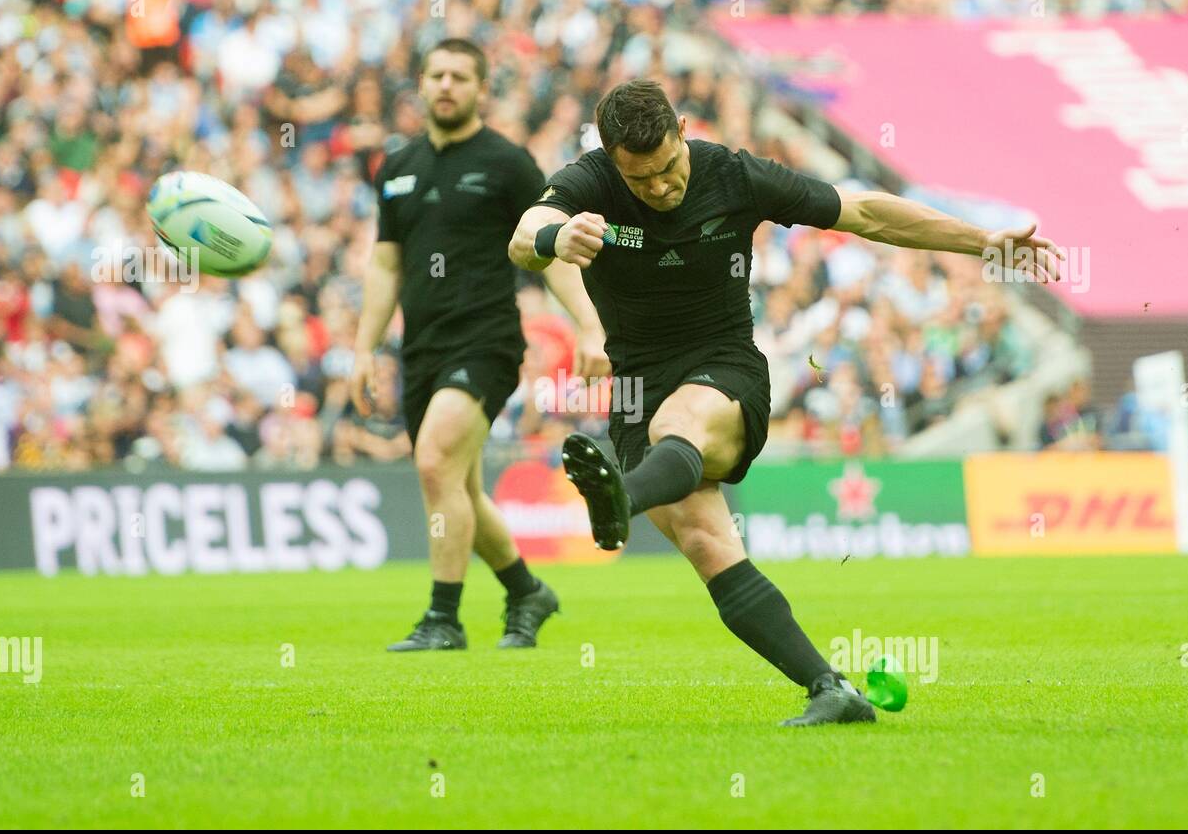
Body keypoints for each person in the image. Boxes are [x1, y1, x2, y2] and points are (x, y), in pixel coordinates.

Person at [508, 79, 1060, 725]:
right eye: (641, 180)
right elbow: (525, 232)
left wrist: (982, 242)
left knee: (679, 424)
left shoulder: (735, 176)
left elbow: (868, 213)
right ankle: (831, 688)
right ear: (609, 160)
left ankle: (622, 498)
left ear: (684, 129)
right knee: (707, 541)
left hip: (723, 367)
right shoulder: (590, 182)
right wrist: (556, 240)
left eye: (667, 168)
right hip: (636, 384)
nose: (660, 187)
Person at [350, 39, 610, 651]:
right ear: (420, 82)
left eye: (460, 76)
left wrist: (589, 326)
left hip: (486, 340)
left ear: (481, 89)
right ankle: (526, 590)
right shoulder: (396, 169)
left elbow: (549, 250)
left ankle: (444, 618)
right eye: (436, 73)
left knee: (436, 462)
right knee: (458, 487)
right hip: (421, 349)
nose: (446, 85)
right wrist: (362, 349)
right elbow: (385, 266)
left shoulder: (507, 163)